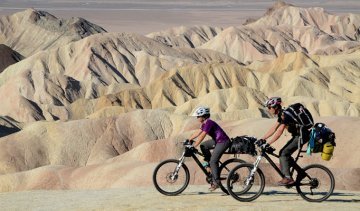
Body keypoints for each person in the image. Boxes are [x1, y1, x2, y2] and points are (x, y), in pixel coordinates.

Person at [260, 97, 313, 186]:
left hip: (302, 136)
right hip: (300, 135)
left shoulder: (285, 115)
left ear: (275, 107)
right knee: (285, 154)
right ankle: (300, 172)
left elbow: (279, 131)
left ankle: (288, 178)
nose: (268, 110)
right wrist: (262, 139)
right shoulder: (282, 114)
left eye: (269, 107)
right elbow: (274, 128)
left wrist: (268, 143)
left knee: (283, 153)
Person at [188, 106, 231, 191]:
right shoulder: (204, 123)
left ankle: (216, 182)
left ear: (203, 116)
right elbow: (198, 132)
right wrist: (189, 139)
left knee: (213, 161)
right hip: (217, 141)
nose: (197, 118)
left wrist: (194, 145)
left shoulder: (209, 123)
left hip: (223, 142)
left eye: (198, 116)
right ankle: (208, 164)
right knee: (204, 146)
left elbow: (202, 135)